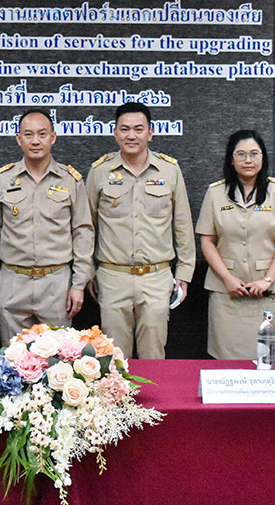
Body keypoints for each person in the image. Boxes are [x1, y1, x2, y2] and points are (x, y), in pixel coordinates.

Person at [85, 102, 195, 359]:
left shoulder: (169, 170)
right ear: (115, 133)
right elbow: (86, 226)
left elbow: (182, 225)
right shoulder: (100, 171)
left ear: (150, 133)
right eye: (124, 129)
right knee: (113, 360)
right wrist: (88, 271)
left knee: (154, 356)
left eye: (138, 129)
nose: (131, 135)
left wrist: (185, 272)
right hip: (113, 277)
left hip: (156, 277)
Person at [0, 108, 94, 346]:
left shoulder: (70, 180)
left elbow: (83, 232)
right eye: (28, 134)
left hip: (56, 282)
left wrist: (79, 284)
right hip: (12, 281)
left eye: (42, 134)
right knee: (13, 358)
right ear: (19, 139)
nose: (35, 141)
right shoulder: (2, 180)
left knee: (58, 359)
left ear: (53, 137)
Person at [195, 130, 275, 359]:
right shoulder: (216, 193)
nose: (248, 160)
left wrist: (267, 280)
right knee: (225, 360)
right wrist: (227, 278)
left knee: (262, 356)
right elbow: (207, 240)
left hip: (265, 290)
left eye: (254, 154)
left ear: (263, 157)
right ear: (231, 158)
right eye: (241, 154)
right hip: (226, 292)